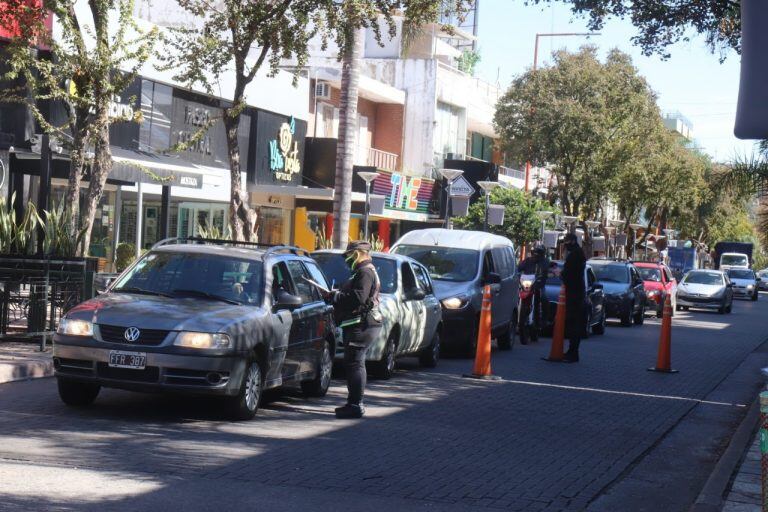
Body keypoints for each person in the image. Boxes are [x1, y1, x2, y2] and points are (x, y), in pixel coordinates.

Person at [325, 241, 382, 419]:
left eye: (349, 255)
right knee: (355, 363)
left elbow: (358, 297)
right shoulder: (364, 271)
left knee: (355, 363)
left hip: (363, 325)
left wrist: (336, 296)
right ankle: (354, 403)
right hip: (362, 324)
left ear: (358, 253)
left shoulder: (365, 272)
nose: (346, 259)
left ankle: (355, 404)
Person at [560, 233, 587, 362]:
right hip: (575, 292)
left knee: (573, 324)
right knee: (572, 324)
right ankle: (571, 351)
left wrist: (562, 274)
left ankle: (573, 352)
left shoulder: (575, 254)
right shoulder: (577, 253)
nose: (564, 245)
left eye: (566, 242)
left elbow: (569, 273)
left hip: (575, 293)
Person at [518, 245, 549, 339]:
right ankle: (517, 317)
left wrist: (546, 274)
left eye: (538, 253)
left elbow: (546, 270)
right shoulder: (527, 261)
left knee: (544, 298)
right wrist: (516, 272)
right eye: (535, 253)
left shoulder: (544, 262)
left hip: (538, 286)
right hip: (527, 286)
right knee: (515, 296)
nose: (536, 255)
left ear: (542, 254)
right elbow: (519, 268)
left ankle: (544, 320)